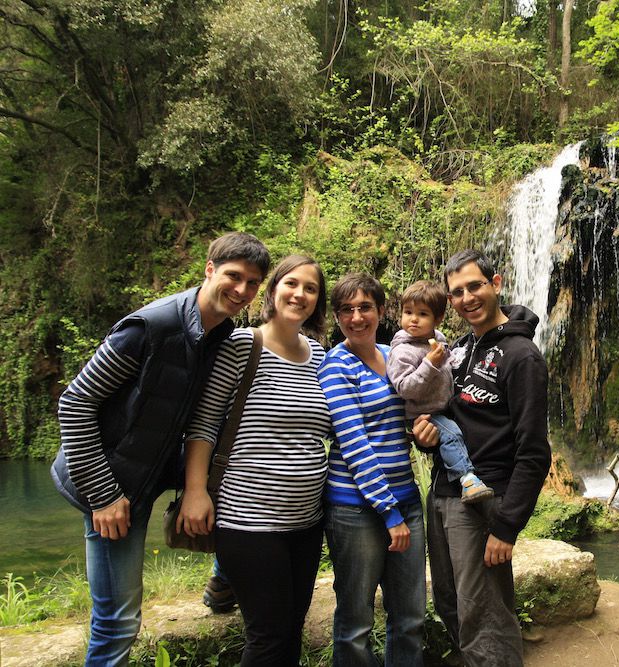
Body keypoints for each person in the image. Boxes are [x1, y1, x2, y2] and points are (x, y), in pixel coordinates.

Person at [51, 232, 270, 666]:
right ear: (210, 270)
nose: (242, 291)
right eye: (233, 276)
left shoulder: (220, 332)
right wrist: (104, 495)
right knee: (117, 620)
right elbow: (74, 404)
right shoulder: (151, 327)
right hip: (110, 484)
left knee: (248, 492)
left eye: (252, 283)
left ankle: (222, 581)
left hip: (152, 473)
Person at [181, 254, 330, 666]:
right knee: (268, 635)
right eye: (292, 284)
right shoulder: (243, 346)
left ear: (318, 300)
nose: (300, 294)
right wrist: (195, 491)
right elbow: (204, 425)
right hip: (247, 520)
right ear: (273, 289)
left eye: (311, 288)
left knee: (290, 632)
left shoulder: (320, 356)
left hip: (306, 522)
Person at [413, 249, 552, 667]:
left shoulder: (522, 356)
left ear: (496, 284)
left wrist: (507, 526)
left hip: (482, 501)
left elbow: (533, 452)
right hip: (443, 493)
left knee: (485, 612)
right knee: (451, 602)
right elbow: (446, 420)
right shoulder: (454, 350)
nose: (467, 297)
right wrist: (425, 437)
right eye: (457, 292)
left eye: (474, 286)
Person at [318, 273, 425, 667]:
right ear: (337, 317)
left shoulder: (395, 356)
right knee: (355, 620)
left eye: (365, 307)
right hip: (357, 509)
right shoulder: (336, 365)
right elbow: (354, 442)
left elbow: (409, 418)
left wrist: (426, 433)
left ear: (382, 311)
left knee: (411, 616)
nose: (356, 317)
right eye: (346, 309)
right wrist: (388, 511)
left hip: (407, 500)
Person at [386, 279, 493, 503]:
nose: (413, 319)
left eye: (422, 314)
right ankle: (467, 479)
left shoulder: (438, 340)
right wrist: (429, 364)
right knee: (452, 434)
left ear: (438, 319)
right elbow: (405, 388)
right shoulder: (402, 352)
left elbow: (449, 364)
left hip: (443, 406)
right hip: (423, 412)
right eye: (408, 312)